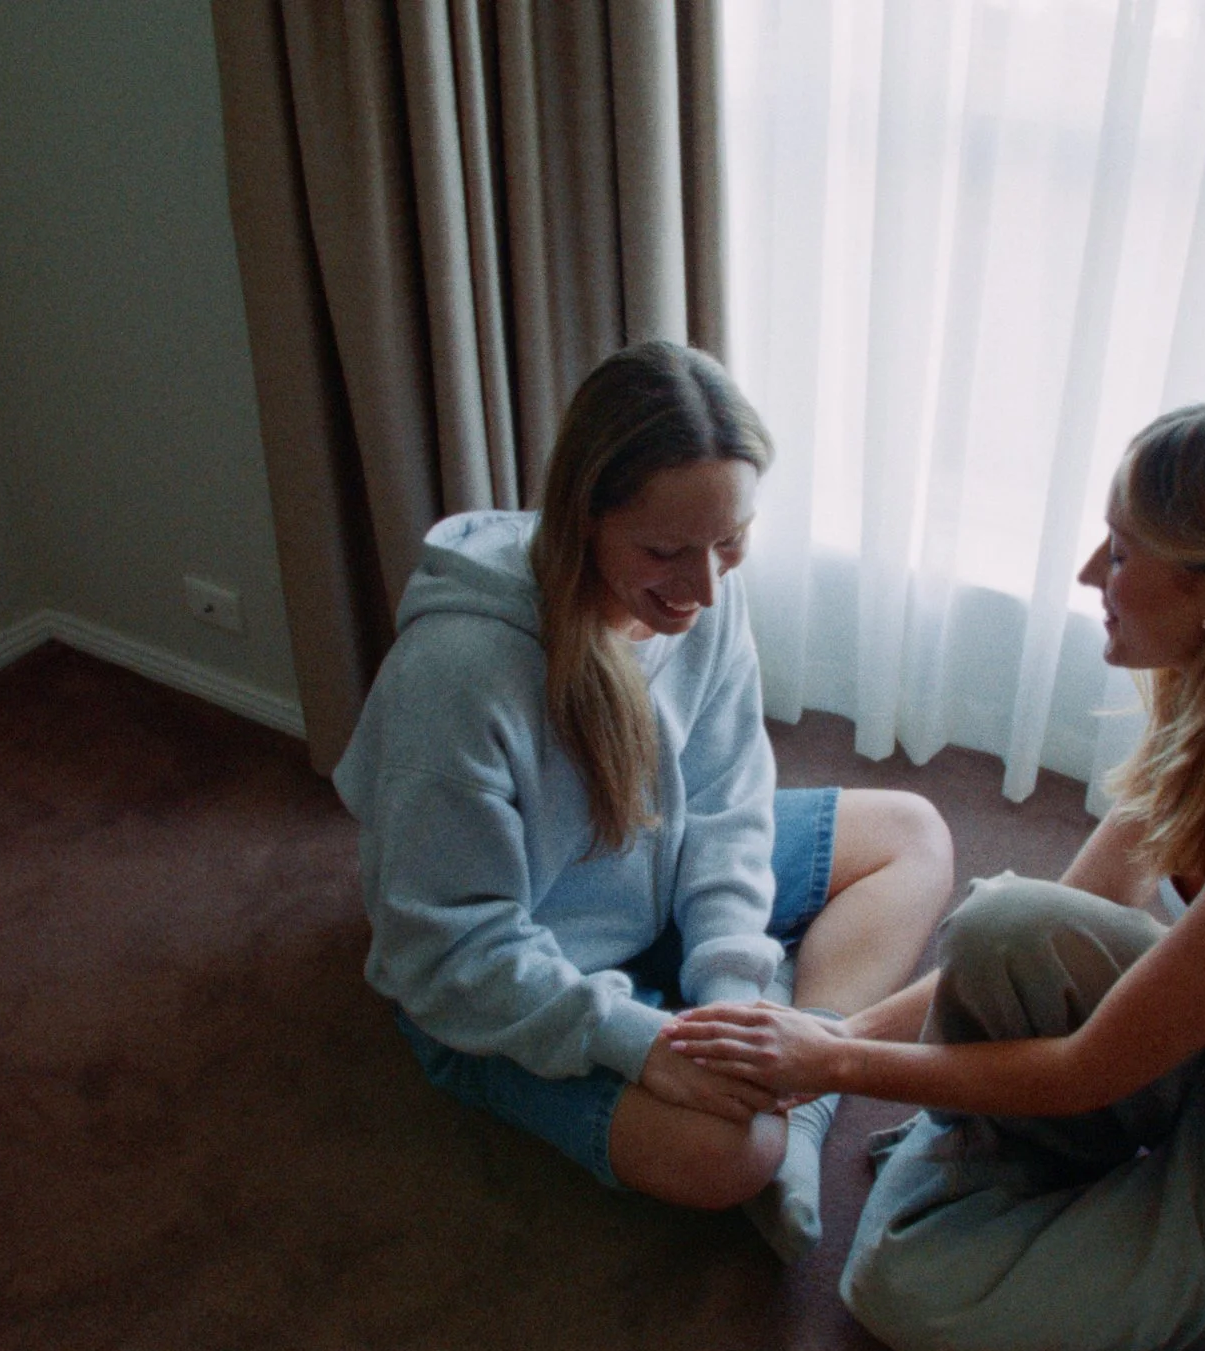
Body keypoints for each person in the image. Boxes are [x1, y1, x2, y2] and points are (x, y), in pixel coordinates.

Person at [667, 395, 1205, 1351]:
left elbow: (1092, 1066)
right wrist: (830, 1038)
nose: (1091, 573)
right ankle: (1005, 1154)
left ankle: (996, 1159)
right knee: (1003, 923)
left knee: (903, 1286)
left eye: (1123, 552)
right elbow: (1055, 921)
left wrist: (833, 1071)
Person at [334, 340, 952, 1261]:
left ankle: (807, 1098)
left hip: (659, 889)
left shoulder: (700, 592)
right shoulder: (460, 676)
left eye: (730, 542)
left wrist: (733, 997)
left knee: (916, 831)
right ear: (583, 517)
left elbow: (730, 800)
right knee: (729, 1151)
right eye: (665, 551)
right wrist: (644, 1043)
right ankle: (786, 1097)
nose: (704, 588)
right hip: (514, 976)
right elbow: (449, 946)